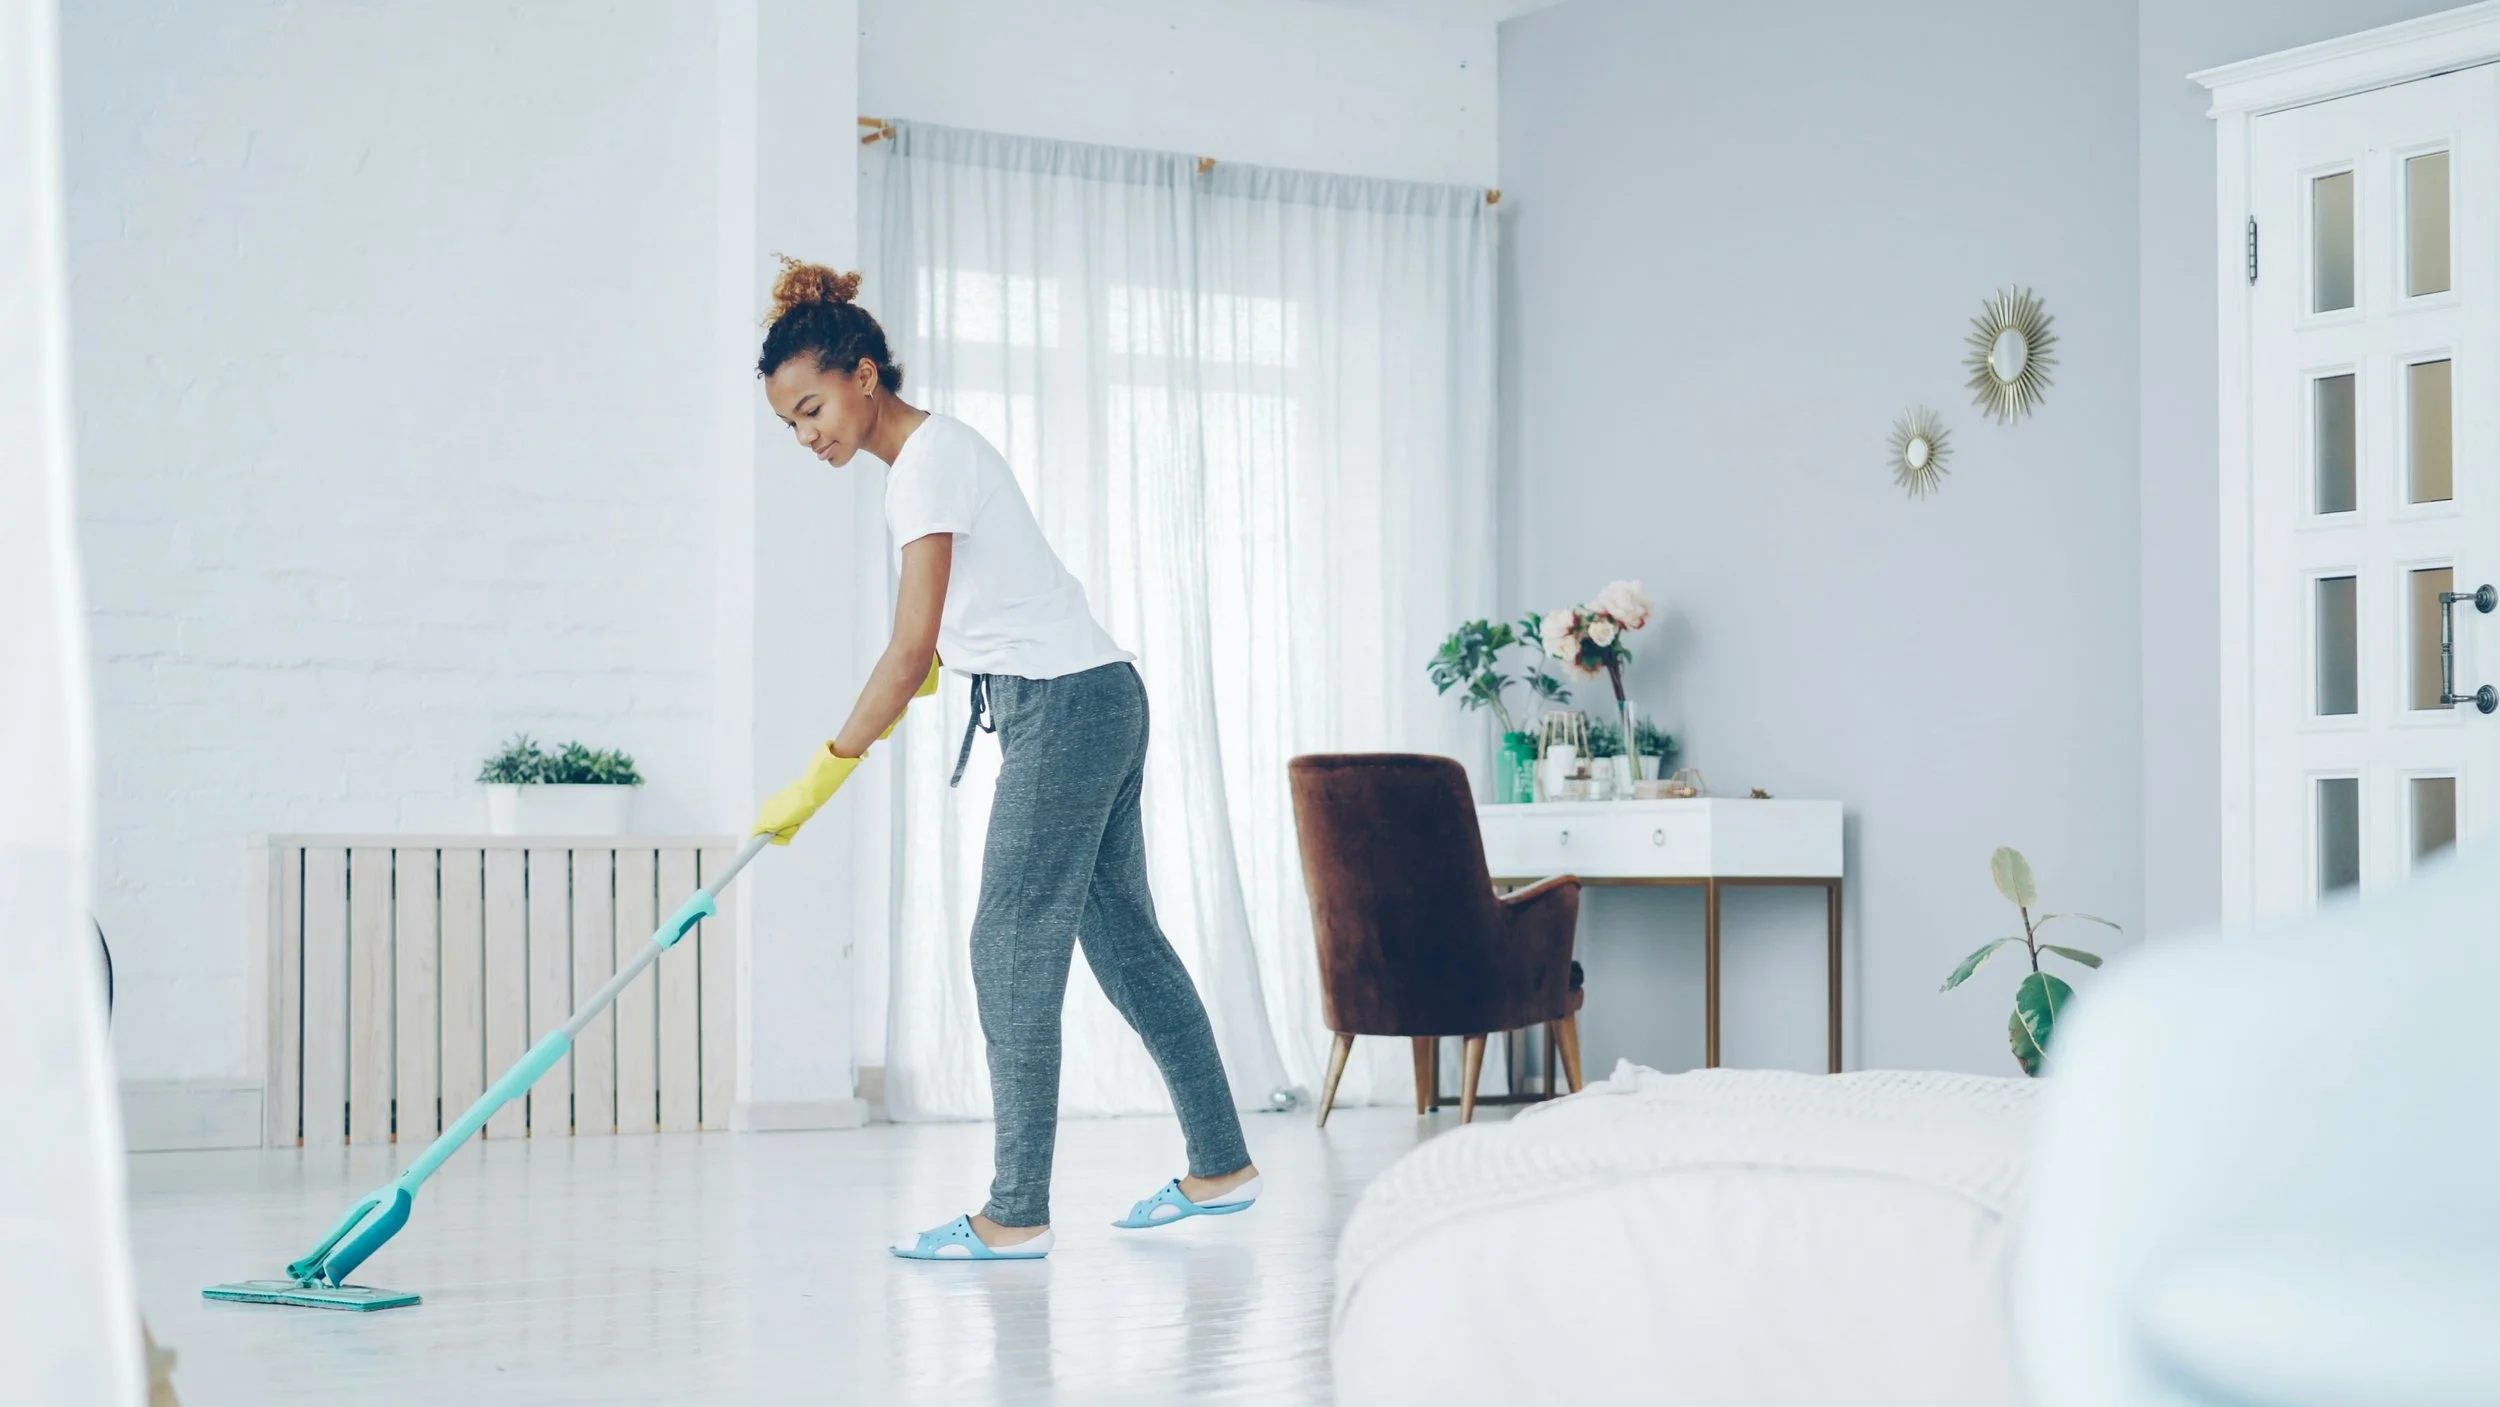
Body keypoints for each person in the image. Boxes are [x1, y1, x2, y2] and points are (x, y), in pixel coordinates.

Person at [748, 260, 1260, 1260]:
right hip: (1094, 697)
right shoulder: (935, 458)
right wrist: (959, 659)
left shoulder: (927, 465)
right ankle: (1220, 1163)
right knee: (1124, 946)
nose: (808, 435)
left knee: (1009, 943)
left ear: (862, 375)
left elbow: (905, 655)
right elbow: (957, 628)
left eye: (812, 408)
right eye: (791, 424)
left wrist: (818, 775)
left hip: (1066, 711)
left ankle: (1015, 1210)